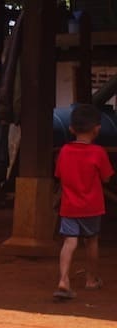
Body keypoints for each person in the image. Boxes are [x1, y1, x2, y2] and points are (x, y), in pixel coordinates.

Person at [53, 103, 114, 300]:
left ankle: (63, 280)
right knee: (92, 241)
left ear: (71, 129)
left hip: (69, 206)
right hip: (92, 206)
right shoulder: (98, 153)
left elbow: (59, 174)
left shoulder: (64, 151)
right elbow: (107, 177)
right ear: (97, 129)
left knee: (69, 242)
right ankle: (91, 279)